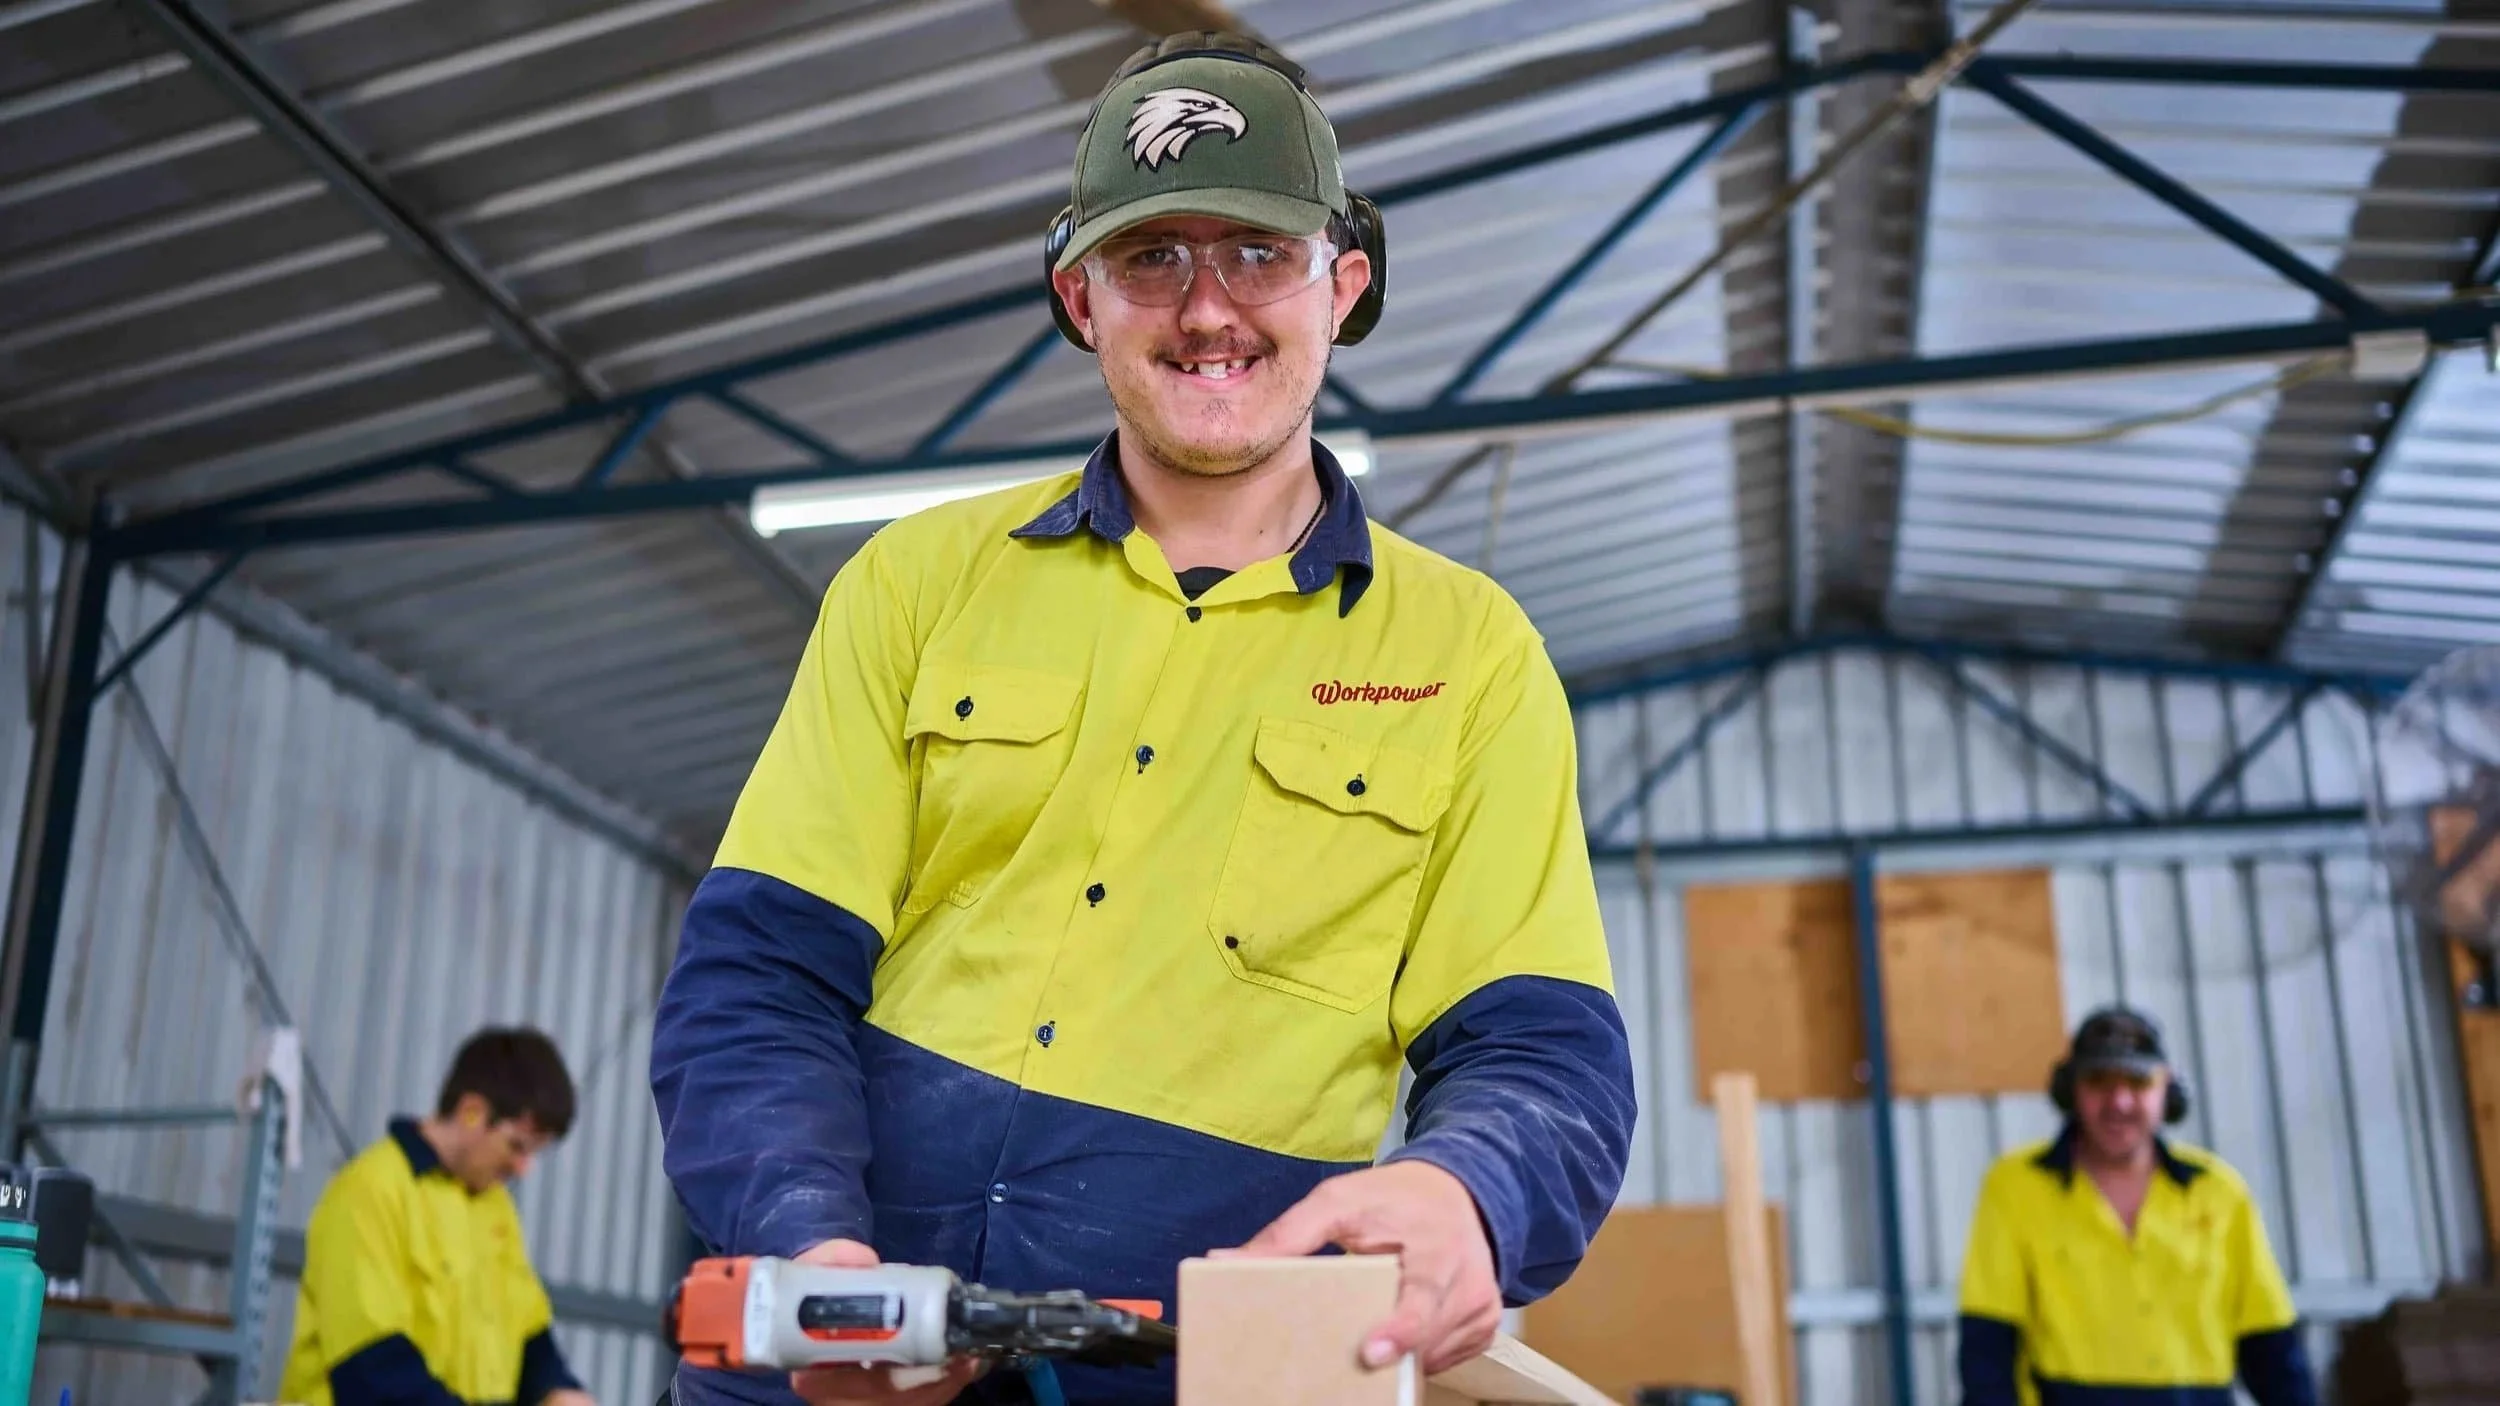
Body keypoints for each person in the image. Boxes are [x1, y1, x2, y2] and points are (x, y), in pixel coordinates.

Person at [649, 28, 1636, 1406]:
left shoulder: (1471, 657)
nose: (1207, 306)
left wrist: (1468, 1191)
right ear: (1079, 294)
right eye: (1152, 255)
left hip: (1204, 1376)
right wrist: (820, 1258)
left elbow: (1541, 1052)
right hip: (827, 1368)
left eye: (1258, 252)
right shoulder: (917, 587)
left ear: (1343, 286)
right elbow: (758, 976)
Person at [1956, 1006, 2317, 1406]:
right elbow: (1987, 1350)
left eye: (2138, 1081)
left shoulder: (2219, 1192)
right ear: (2070, 1090)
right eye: (2098, 1082)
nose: (2120, 1101)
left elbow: (2272, 1349)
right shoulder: (2015, 1188)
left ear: (2169, 1090)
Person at [279, 1027, 596, 1406]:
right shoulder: (369, 1192)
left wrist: (558, 1389)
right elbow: (371, 1368)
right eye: (516, 1145)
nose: (523, 1168)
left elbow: (528, 1332)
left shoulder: (494, 1207)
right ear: (471, 1112)